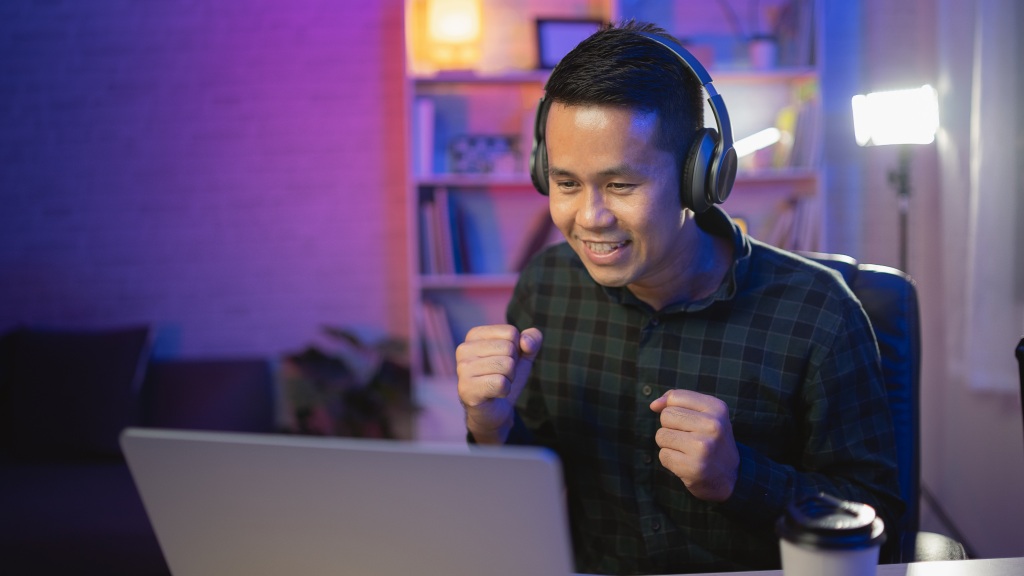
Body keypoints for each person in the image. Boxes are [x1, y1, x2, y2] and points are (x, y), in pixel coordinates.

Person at [455, 20, 904, 575]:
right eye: (567, 183)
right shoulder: (545, 287)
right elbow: (534, 481)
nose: (589, 217)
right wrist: (490, 425)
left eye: (621, 185)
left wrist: (738, 478)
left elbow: (883, 525)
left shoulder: (819, 313)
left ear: (700, 177)